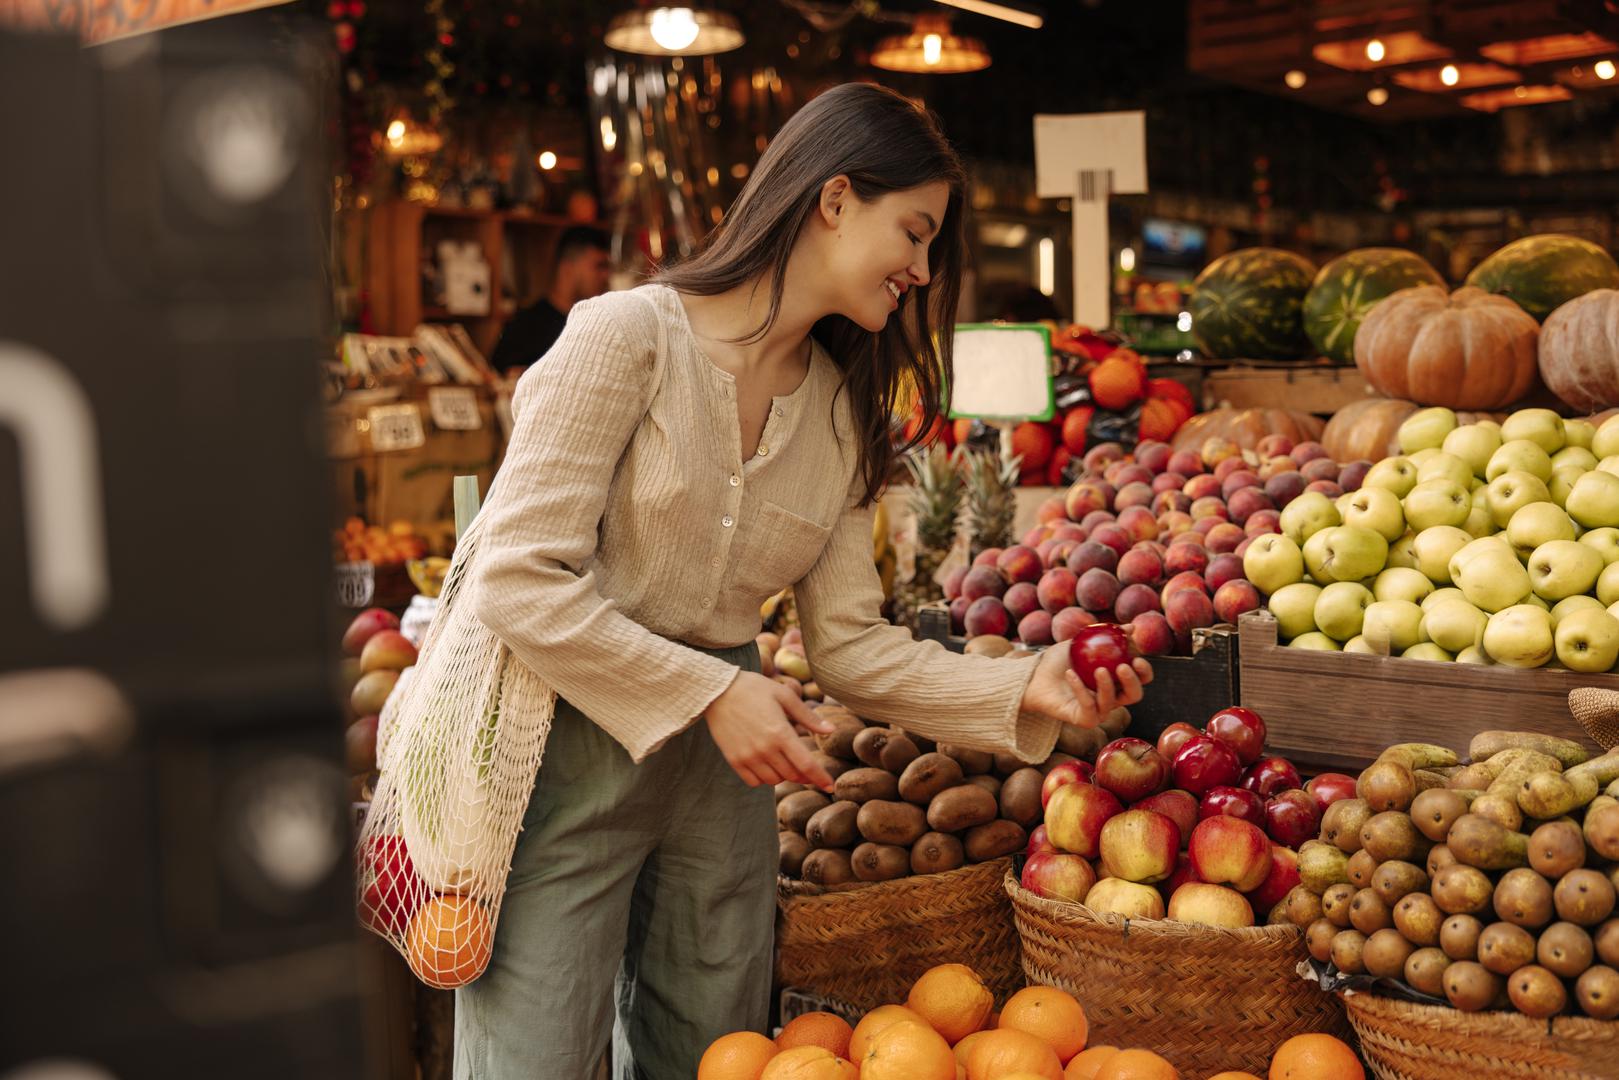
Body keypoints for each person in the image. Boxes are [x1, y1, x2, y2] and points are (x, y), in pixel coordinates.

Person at [454, 83, 1152, 1080]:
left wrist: (1019, 685)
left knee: (717, 1054)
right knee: (531, 1054)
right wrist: (710, 689)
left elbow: (848, 648)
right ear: (831, 200)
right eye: (911, 233)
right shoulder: (625, 338)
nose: (920, 269)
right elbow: (517, 581)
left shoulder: (841, 414)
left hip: (727, 781)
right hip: (561, 744)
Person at [489, 224, 613, 374]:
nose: (606, 276)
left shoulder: (599, 325)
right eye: (599, 266)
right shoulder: (525, 327)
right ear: (568, 269)